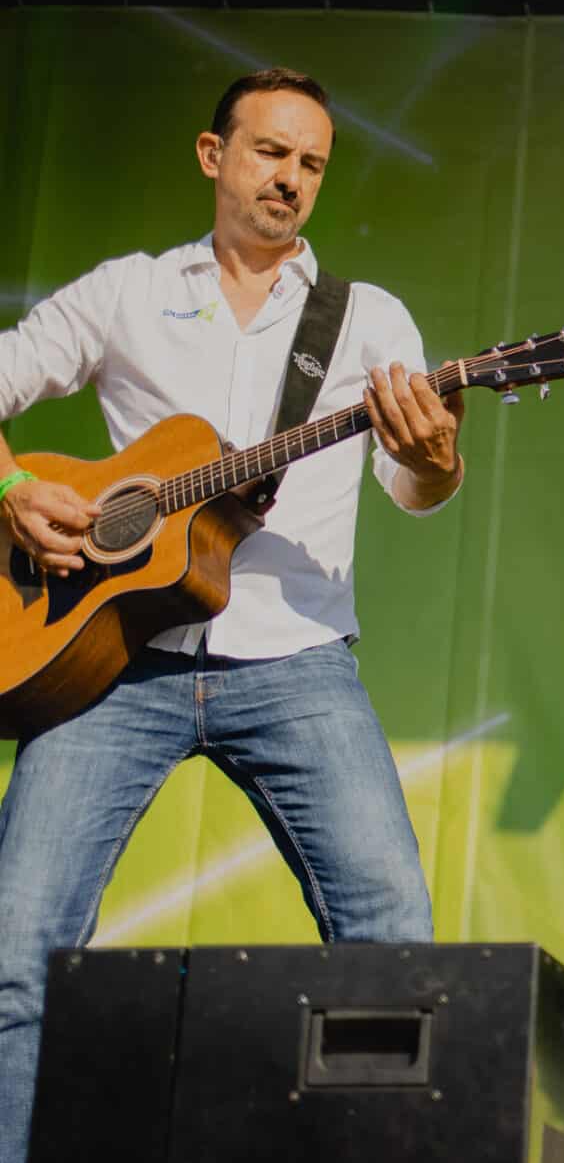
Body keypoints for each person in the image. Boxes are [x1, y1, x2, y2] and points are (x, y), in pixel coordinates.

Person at [0, 68, 463, 1159]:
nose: (290, 179)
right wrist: (18, 494)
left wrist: (436, 456)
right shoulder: (125, 291)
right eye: (270, 152)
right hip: (109, 660)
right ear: (215, 158)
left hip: (295, 664)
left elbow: (419, 493)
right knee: (15, 952)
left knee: (392, 940)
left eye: (310, 163)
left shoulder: (365, 318)